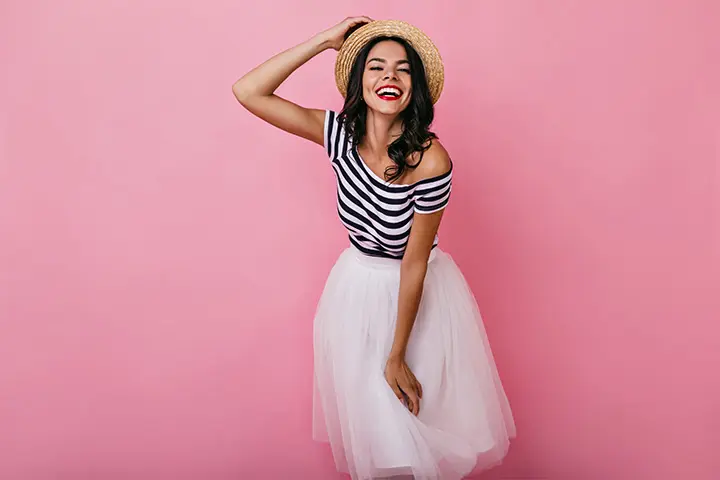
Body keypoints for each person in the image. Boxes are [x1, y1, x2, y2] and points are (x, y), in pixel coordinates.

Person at [232, 17, 516, 480]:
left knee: (415, 427)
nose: (389, 77)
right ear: (358, 80)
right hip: (356, 289)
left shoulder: (430, 159)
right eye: (376, 67)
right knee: (377, 436)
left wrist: (396, 353)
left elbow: (415, 261)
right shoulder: (338, 134)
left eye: (403, 70)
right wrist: (325, 41)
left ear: (415, 87)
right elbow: (248, 91)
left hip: (416, 296)